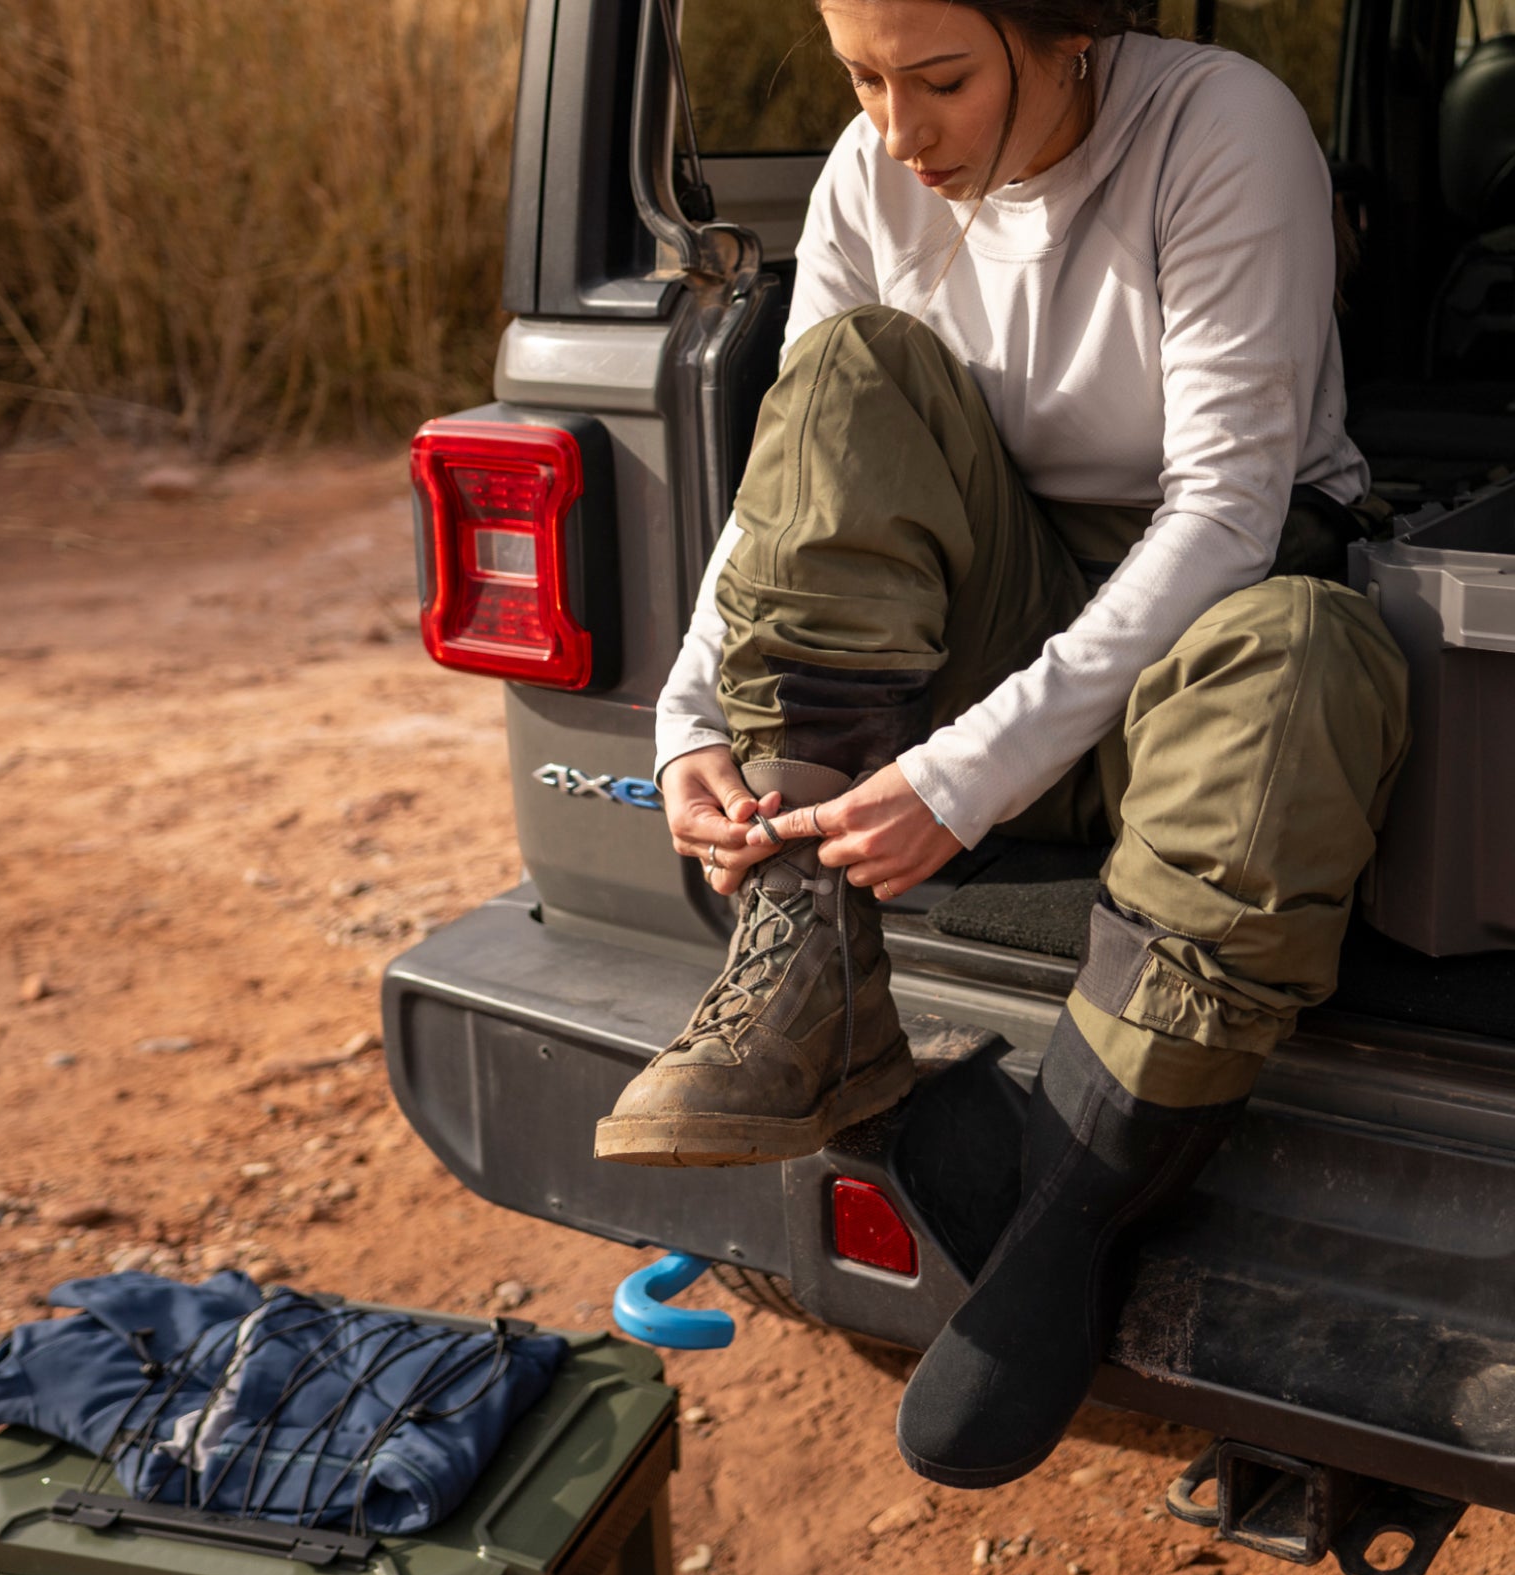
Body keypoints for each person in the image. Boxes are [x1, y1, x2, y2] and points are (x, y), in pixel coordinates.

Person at [592, 0, 1409, 1489]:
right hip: (994, 617)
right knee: (840, 375)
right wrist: (691, 715)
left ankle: (1066, 1219)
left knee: (1306, 662)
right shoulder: (869, 169)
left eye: (945, 79)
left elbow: (1227, 513)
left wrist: (964, 782)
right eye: (859, 77)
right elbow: (799, 470)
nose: (898, 130)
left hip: (1209, 617)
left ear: (1069, 31)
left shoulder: (1219, 130)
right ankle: (810, 979)